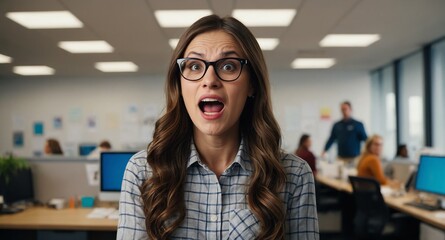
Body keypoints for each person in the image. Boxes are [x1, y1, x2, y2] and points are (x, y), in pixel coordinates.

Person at [118, 15, 319, 240]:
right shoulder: (143, 171)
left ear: (252, 84)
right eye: (194, 66)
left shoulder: (294, 175)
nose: (210, 80)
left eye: (228, 66)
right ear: (180, 84)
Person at [321, 101, 367, 166]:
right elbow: (331, 139)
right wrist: (325, 150)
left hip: (354, 158)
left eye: (345, 109)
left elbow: (365, 139)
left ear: (350, 110)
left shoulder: (358, 124)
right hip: (340, 158)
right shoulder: (337, 125)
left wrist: (367, 153)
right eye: (342, 109)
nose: (344, 111)